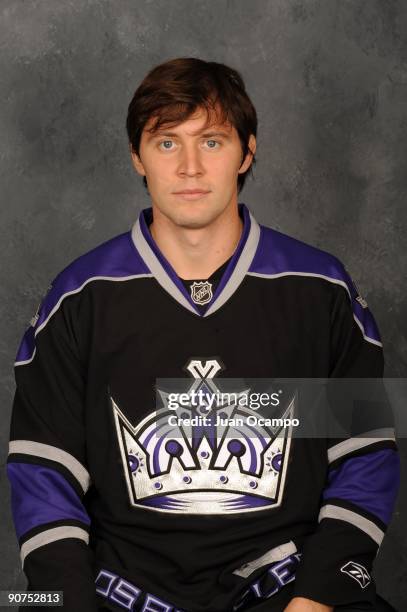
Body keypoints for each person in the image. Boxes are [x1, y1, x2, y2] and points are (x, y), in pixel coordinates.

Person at [7, 58, 400, 612]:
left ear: (248, 150)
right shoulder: (79, 297)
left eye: (212, 142)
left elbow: (363, 457)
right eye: (167, 143)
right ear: (136, 158)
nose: (190, 167)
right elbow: (43, 470)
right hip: (118, 591)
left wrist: (317, 596)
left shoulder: (319, 289)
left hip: (286, 584)